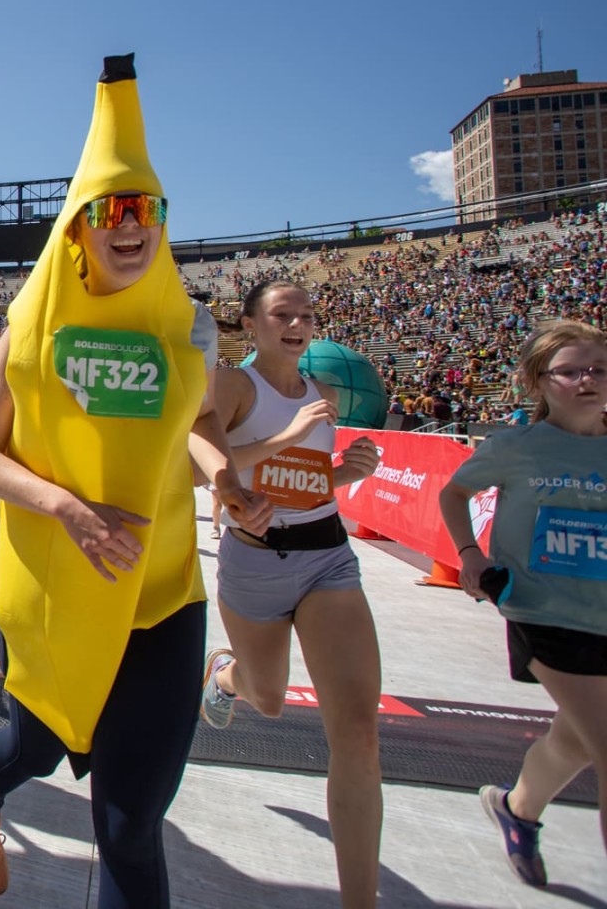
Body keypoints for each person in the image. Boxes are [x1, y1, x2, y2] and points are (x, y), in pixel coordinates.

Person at [0, 56, 266, 905]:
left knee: (130, 828)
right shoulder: (28, 327)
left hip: (162, 594)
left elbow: (195, 431)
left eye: (148, 210)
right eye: (113, 210)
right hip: (55, 586)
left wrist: (226, 482)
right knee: (37, 750)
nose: (133, 227)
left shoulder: (188, 329)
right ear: (78, 228)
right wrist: (65, 507)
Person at [194, 280, 384, 907]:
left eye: (306, 314)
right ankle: (223, 677)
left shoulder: (324, 395)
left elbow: (299, 481)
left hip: (327, 557)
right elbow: (202, 467)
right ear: (250, 324)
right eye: (282, 314)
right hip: (254, 562)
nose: (298, 323)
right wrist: (289, 432)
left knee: (357, 731)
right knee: (268, 700)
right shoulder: (230, 385)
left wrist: (343, 475)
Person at [440, 320, 607, 890]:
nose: (587, 381)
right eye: (570, 371)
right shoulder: (516, 446)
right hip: (543, 614)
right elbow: (454, 491)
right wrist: (470, 556)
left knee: (577, 741)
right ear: (539, 382)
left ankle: (517, 809)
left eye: (599, 369)